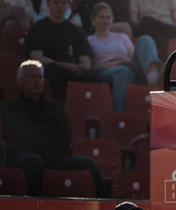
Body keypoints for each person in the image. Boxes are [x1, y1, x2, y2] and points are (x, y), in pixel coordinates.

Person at [0, 60, 106, 196]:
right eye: (32, 77)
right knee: (34, 161)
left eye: (40, 77)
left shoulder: (55, 108)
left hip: (52, 158)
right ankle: (36, 206)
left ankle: (109, 208)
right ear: (20, 82)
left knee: (91, 164)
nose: (37, 81)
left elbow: (65, 137)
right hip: (22, 159)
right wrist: (44, 139)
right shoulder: (8, 109)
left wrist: (36, 139)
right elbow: (14, 139)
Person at [24, 0, 93, 106]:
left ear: (68, 5)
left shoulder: (76, 31)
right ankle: (58, 111)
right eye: (55, 2)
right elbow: (37, 58)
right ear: (47, 4)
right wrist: (67, 66)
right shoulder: (37, 28)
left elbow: (85, 59)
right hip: (48, 71)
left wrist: (84, 67)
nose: (59, 6)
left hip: (71, 72)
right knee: (53, 70)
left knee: (98, 80)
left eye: (63, 3)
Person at [89, 2, 162, 92]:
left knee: (145, 39)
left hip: (127, 65)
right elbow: (92, 67)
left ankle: (153, 78)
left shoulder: (122, 37)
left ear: (112, 20)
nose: (105, 21)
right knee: (123, 71)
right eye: (101, 17)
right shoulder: (89, 41)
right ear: (93, 20)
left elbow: (132, 57)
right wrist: (116, 64)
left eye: (108, 17)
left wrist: (124, 62)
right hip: (106, 71)